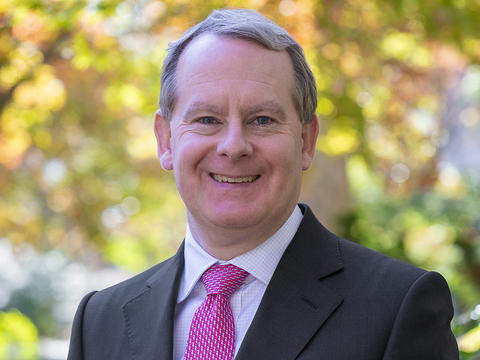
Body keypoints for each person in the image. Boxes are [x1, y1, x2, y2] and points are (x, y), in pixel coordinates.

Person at [67, 8, 459, 360]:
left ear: (306, 141)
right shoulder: (99, 322)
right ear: (166, 140)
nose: (233, 146)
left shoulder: (396, 307)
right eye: (207, 119)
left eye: (262, 120)